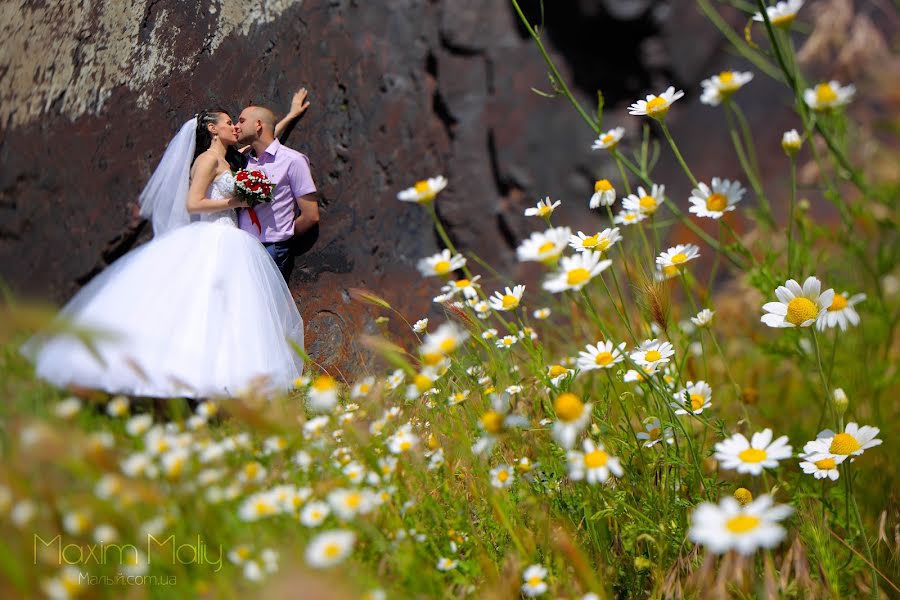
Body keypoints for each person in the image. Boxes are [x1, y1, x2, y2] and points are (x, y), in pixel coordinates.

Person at [22, 106, 307, 399]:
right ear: (212, 129)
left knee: (230, 307)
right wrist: (235, 203)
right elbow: (193, 204)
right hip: (215, 236)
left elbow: (266, 140)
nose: (235, 127)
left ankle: (228, 377)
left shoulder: (230, 159)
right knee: (202, 306)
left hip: (233, 238)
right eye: (229, 122)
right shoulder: (207, 161)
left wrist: (288, 116)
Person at [235, 98, 319, 281]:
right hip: (240, 248)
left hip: (270, 249)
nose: (235, 126)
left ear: (258, 125)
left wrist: (282, 237)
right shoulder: (242, 160)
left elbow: (311, 215)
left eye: (241, 121)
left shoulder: (293, 160)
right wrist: (291, 115)